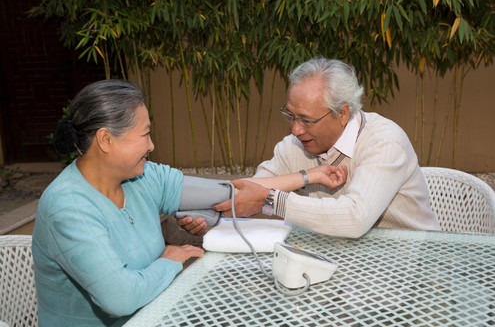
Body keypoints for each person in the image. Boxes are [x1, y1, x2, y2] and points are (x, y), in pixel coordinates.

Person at [33, 79, 346, 326]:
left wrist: (309, 176)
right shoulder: (68, 207)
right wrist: (169, 261)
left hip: (157, 314)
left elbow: (229, 193)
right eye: (144, 135)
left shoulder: (143, 178)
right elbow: (120, 299)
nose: (152, 145)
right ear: (105, 140)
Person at [181, 57, 440, 238]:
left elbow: (355, 218)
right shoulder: (294, 146)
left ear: (342, 113)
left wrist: (271, 200)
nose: (295, 129)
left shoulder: (383, 142)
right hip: (341, 265)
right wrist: (210, 215)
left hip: (412, 268)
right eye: (291, 115)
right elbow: (249, 192)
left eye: (306, 120)